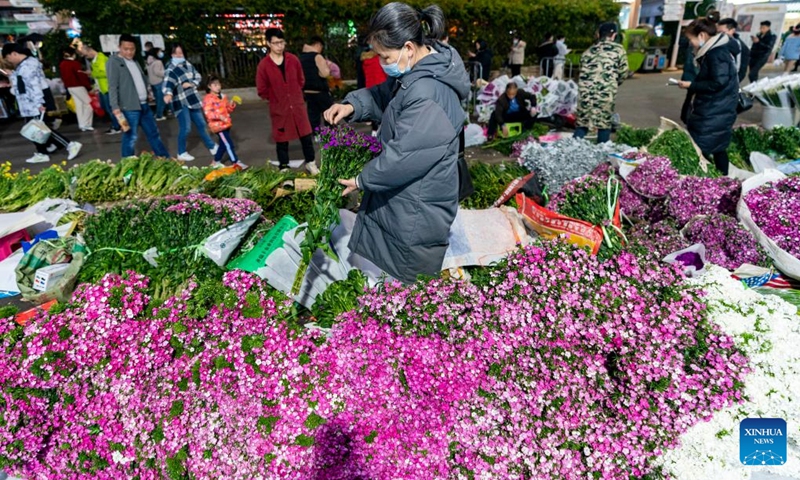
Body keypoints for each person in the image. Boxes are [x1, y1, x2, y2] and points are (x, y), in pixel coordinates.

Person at [323, 2, 470, 284]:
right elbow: (385, 97)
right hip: (409, 199)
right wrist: (351, 106)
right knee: (395, 275)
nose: (381, 63)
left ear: (409, 48)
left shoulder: (429, 92)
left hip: (418, 204)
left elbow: (403, 157)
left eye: (385, 56)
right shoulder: (415, 73)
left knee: (408, 283)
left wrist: (362, 179)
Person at [678, 12, 737, 176]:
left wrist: (692, 85)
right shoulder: (715, 51)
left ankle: (704, 184)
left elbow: (718, 82)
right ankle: (723, 180)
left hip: (715, 110)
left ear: (702, 35)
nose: (691, 44)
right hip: (719, 108)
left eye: (691, 40)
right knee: (718, 147)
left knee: (700, 148)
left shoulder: (716, 54)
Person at [2, 43, 82, 163]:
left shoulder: (28, 66)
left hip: (32, 103)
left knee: (37, 129)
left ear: (14, 54)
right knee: (35, 129)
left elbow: (35, 86)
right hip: (28, 103)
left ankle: (68, 145)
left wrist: (39, 103)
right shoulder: (24, 65)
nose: (9, 60)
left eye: (8, 57)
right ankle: (45, 150)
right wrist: (12, 76)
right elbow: (22, 86)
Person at [256, 28, 316, 172]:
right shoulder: (264, 65)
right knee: (281, 139)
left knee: (306, 136)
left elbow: (301, 80)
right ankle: (284, 166)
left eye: (282, 42)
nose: (280, 46)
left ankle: (311, 162)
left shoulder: (293, 59)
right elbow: (262, 89)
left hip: (297, 104)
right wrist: (276, 97)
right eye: (276, 43)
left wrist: (294, 94)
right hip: (279, 107)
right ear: (269, 44)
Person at [107, 34, 170, 159]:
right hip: (129, 107)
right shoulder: (113, 62)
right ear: (119, 47)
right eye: (126, 49)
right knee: (131, 136)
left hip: (144, 105)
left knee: (153, 133)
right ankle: (127, 166)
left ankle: (164, 159)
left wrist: (148, 94)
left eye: (132, 49)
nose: (129, 52)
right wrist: (115, 107)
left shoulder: (135, 61)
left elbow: (141, 79)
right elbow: (112, 86)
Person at [574, 23, 628, 144]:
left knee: (582, 124)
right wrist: (611, 84)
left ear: (599, 34)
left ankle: (570, 150)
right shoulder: (618, 50)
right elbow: (623, 73)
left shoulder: (588, 51)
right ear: (614, 35)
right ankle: (602, 154)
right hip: (605, 93)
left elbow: (581, 70)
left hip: (585, 94)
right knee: (604, 125)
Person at [163, 43, 218, 162]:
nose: (178, 55)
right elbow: (168, 83)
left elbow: (197, 76)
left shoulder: (188, 64)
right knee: (186, 128)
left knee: (201, 124)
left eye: (180, 53)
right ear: (171, 54)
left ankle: (212, 146)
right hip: (181, 101)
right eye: (175, 53)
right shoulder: (170, 69)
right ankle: (181, 152)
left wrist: (192, 84)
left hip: (192, 99)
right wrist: (168, 93)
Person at [202, 74, 246, 170]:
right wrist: (219, 116)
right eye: (214, 85)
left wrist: (231, 105)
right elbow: (208, 113)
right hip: (218, 126)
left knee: (223, 144)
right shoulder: (208, 99)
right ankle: (236, 162)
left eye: (218, 84)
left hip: (226, 124)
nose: (218, 87)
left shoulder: (223, 96)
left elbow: (228, 110)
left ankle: (216, 161)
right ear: (209, 86)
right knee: (228, 144)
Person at [79, 44, 122, 134]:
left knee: (111, 109)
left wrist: (93, 74)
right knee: (108, 108)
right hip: (103, 88)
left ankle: (117, 126)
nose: (86, 57)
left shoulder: (101, 59)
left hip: (107, 88)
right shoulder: (96, 60)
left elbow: (105, 73)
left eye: (86, 55)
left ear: (90, 51)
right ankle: (119, 125)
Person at [300, 36, 333, 134]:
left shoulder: (301, 57)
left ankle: (316, 134)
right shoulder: (317, 56)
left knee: (313, 114)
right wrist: (328, 67)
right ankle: (331, 133)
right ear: (317, 44)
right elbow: (325, 73)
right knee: (329, 112)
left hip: (308, 91)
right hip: (320, 90)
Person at [60, 47, 94, 131]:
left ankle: (82, 124)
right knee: (88, 104)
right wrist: (88, 87)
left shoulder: (62, 64)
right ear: (73, 54)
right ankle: (86, 123)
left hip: (70, 87)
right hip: (78, 86)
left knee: (79, 105)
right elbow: (81, 76)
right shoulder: (75, 64)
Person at [360, 43, 389, 136]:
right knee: (384, 108)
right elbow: (385, 72)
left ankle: (374, 130)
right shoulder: (379, 59)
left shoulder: (365, 61)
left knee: (374, 108)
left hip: (370, 86)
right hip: (382, 85)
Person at [718, 18, 750, 83]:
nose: (719, 35)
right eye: (718, 32)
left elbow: (739, 68)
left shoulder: (739, 46)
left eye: (722, 32)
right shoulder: (721, 41)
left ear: (732, 30)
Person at [146, 47, 167, 120]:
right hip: (159, 82)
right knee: (161, 100)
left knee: (158, 100)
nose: (161, 53)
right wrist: (166, 73)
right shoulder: (158, 62)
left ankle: (157, 113)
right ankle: (159, 115)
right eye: (159, 52)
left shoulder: (149, 62)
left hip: (152, 83)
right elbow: (158, 72)